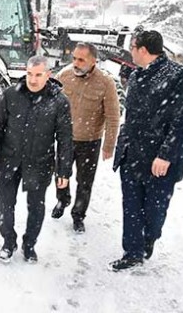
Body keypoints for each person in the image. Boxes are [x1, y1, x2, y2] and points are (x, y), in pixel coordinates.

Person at [109, 30, 183, 272]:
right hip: (132, 155)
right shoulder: (136, 76)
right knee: (131, 206)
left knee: (155, 211)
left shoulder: (181, 76)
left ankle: (149, 237)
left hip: (159, 160)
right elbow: (132, 116)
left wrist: (166, 154)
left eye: (132, 48)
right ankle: (133, 251)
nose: (130, 53)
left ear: (143, 50)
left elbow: (182, 119)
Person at [0, 55, 73, 264]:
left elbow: (65, 139)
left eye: (38, 75)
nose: (33, 80)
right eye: (30, 74)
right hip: (9, 158)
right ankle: (8, 242)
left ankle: (29, 244)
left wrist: (63, 172)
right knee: (5, 204)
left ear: (48, 75)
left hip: (39, 162)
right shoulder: (11, 95)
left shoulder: (59, 102)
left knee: (36, 207)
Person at [51, 42, 121, 234]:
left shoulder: (106, 83)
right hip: (66, 139)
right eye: (74, 58)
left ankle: (78, 214)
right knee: (60, 175)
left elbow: (113, 117)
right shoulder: (64, 76)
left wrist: (109, 145)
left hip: (90, 141)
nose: (76, 63)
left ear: (93, 61)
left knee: (85, 181)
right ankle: (62, 200)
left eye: (81, 59)